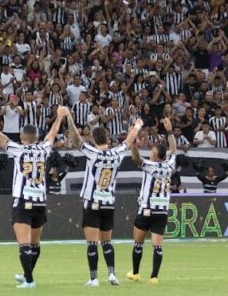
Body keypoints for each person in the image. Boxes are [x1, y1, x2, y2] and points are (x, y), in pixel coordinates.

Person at [0, 101, 70, 289]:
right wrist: (60, 115)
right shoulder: (44, 148)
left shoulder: (18, 150)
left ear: (22, 137)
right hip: (40, 201)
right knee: (34, 244)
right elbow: (52, 133)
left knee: (24, 245)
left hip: (22, 201)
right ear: (37, 137)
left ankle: (29, 280)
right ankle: (28, 275)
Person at [65, 118, 144, 286]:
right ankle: (112, 275)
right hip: (109, 203)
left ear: (93, 139)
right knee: (107, 241)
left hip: (93, 202)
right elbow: (129, 141)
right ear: (107, 139)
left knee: (92, 242)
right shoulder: (117, 152)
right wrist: (137, 125)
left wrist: (69, 118)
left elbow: (76, 138)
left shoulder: (92, 153)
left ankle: (94, 278)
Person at [128, 119, 176, 284]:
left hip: (146, 210)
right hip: (161, 212)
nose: (150, 151)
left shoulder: (150, 165)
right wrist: (169, 131)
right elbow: (174, 150)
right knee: (158, 246)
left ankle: (135, 273)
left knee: (138, 243)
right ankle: (154, 277)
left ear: (155, 155)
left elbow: (136, 159)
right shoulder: (170, 165)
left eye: (152, 150)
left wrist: (132, 142)